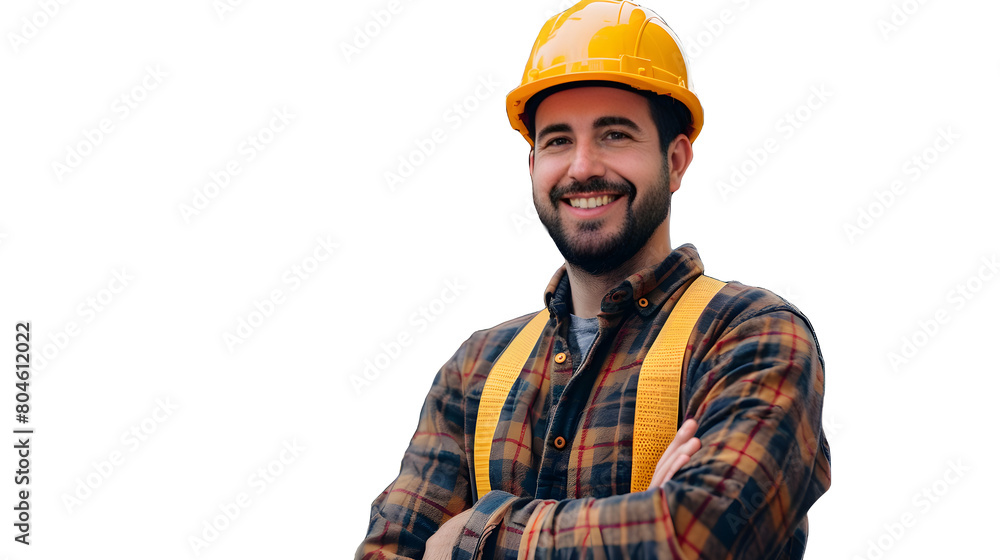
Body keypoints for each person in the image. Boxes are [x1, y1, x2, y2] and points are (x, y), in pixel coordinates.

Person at [356, 1, 831, 558]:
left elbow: (698, 538)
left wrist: (473, 538)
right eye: (557, 140)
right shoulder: (474, 371)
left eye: (614, 134)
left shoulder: (752, 337)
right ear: (533, 164)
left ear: (676, 161)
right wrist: (637, 525)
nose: (581, 166)